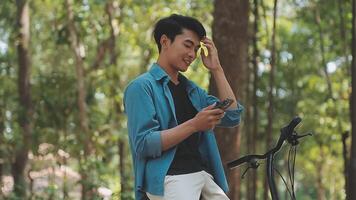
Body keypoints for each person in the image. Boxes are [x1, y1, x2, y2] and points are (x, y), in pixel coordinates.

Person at [124, 14, 244, 200]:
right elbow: (144, 144)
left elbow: (233, 116)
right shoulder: (141, 87)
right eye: (188, 45)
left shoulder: (192, 90)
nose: (192, 54)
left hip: (204, 175)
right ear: (165, 41)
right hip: (170, 177)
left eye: (196, 49)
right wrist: (194, 125)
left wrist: (217, 69)